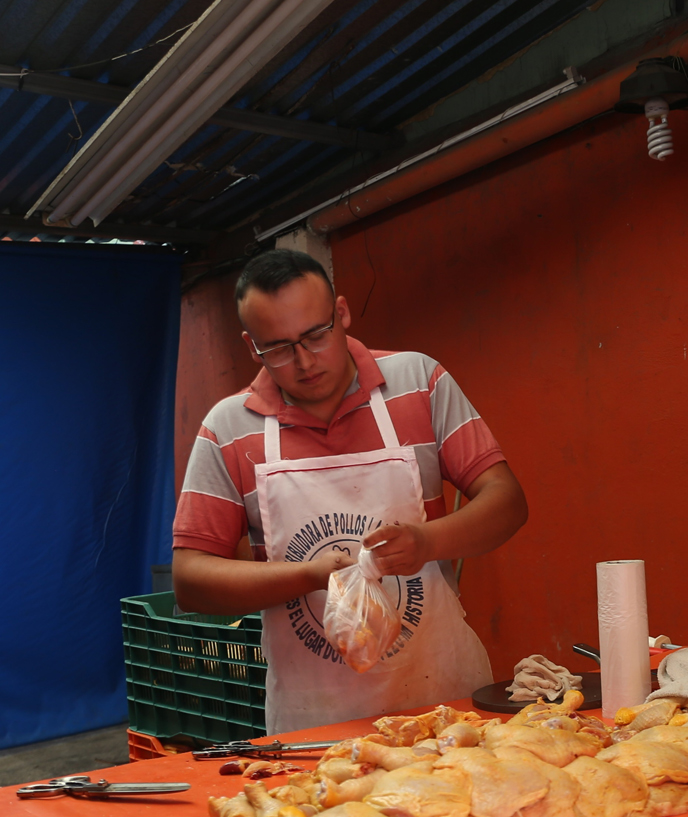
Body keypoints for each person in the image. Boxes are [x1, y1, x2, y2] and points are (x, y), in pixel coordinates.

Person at [172, 249, 527, 733]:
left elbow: (507, 502)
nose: (303, 361)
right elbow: (190, 579)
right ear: (250, 345)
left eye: (316, 335)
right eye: (276, 348)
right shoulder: (228, 429)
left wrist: (427, 542)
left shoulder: (418, 382)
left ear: (341, 313)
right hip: (315, 722)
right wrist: (311, 575)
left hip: (442, 706)